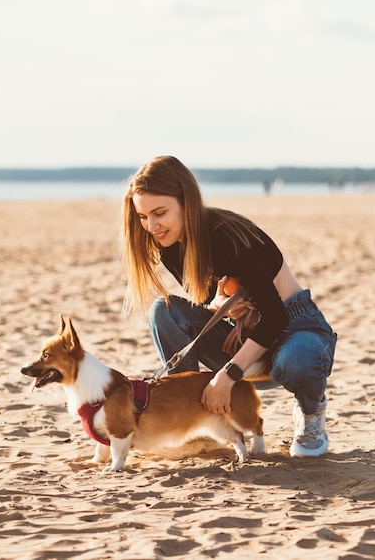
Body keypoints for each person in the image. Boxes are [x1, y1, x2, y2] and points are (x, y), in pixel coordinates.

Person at [121, 156, 336, 458]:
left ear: (187, 202)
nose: (151, 226)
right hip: (241, 335)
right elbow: (209, 298)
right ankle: (192, 414)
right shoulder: (168, 244)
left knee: (297, 359)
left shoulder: (228, 235)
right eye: (143, 216)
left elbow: (274, 317)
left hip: (293, 329)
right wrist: (217, 304)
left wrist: (227, 377)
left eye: (159, 213)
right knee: (164, 310)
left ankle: (311, 411)